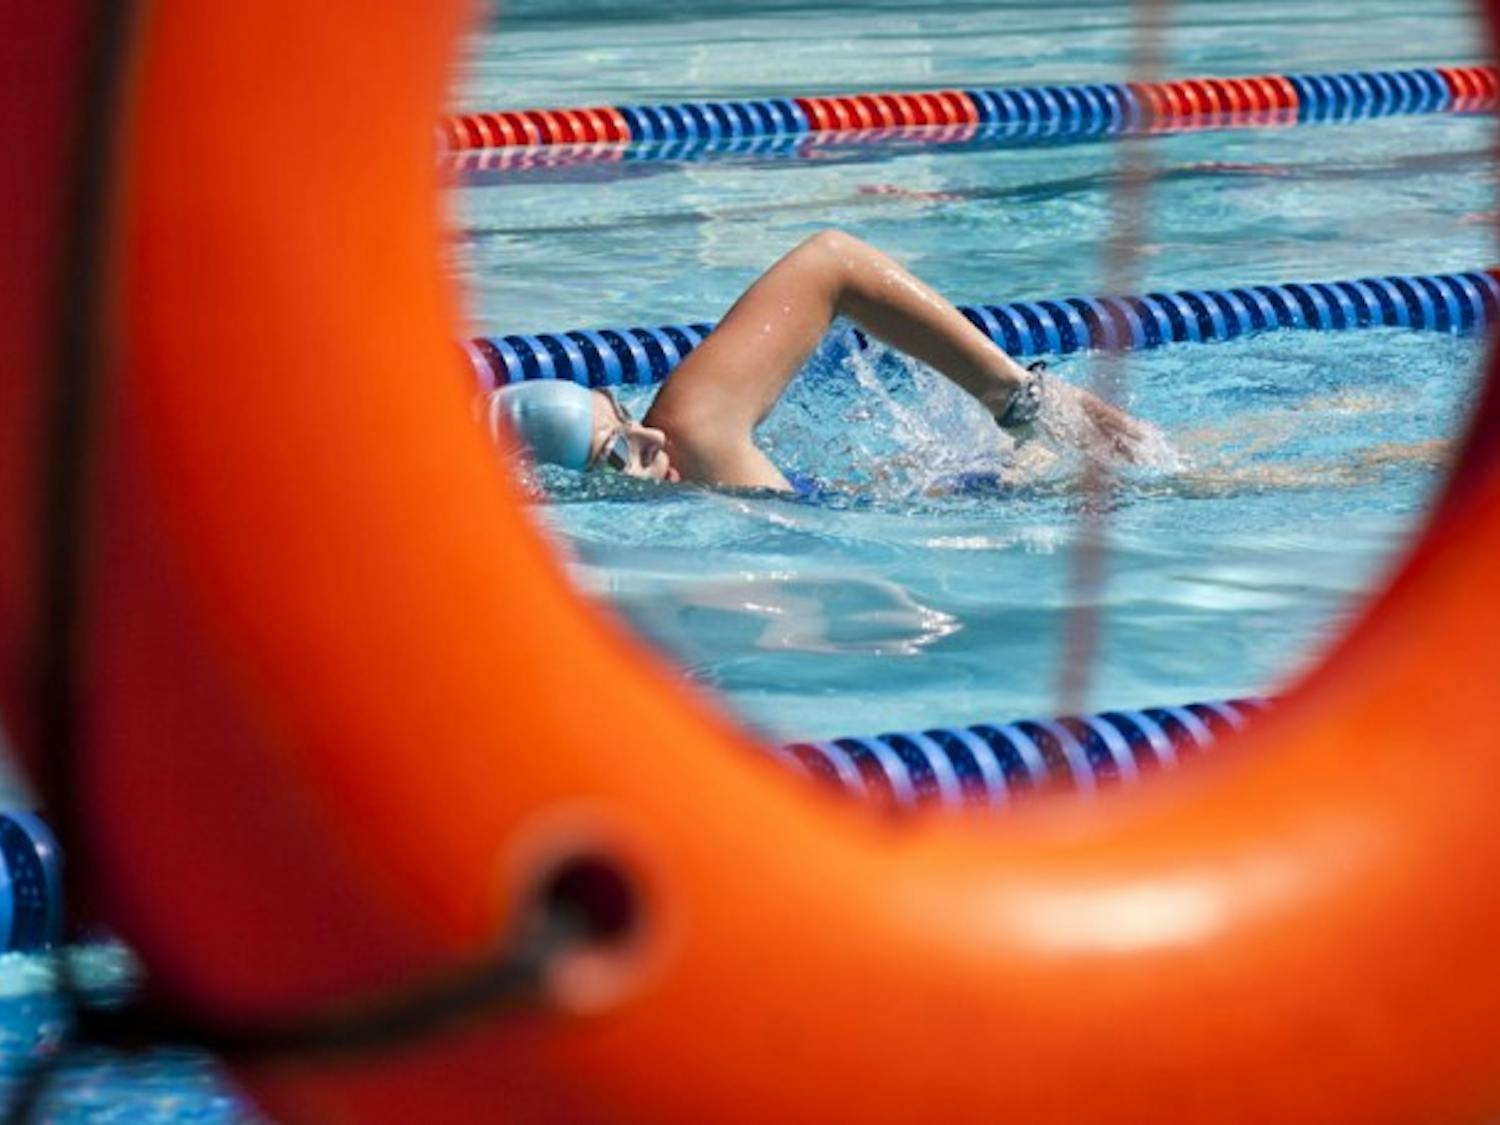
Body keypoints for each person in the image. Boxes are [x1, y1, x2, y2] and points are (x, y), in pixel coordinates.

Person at [486, 229, 1150, 491]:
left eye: (626, 417)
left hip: (1003, 499)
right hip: (955, 512)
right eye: (615, 451)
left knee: (1199, 473)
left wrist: (1019, 401)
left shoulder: (691, 433)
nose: (651, 437)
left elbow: (832, 260)